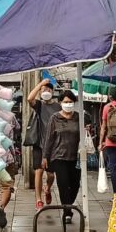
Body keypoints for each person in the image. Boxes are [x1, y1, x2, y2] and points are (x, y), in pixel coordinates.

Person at [40, 89, 87, 221]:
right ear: (60, 103)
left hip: (76, 157)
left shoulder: (78, 117)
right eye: (65, 102)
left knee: (75, 184)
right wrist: (45, 156)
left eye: (70, 102)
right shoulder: (54, 118)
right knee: (63, 184)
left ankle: (68, 205)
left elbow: (83, 135)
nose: (68, 104)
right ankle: (67, 212)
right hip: (59, 156)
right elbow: (49, 139)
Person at [26, 75, 62, 207]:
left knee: (51, 174)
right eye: (43, 90)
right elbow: (29, 98)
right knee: (39, 171)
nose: (46, 91)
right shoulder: (39, 105)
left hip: (53, 145)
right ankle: (38, 200)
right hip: (39, 144)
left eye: (48, 89)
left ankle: (47, 188)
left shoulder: (58, 107)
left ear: (52, 92)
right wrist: (40, 84)